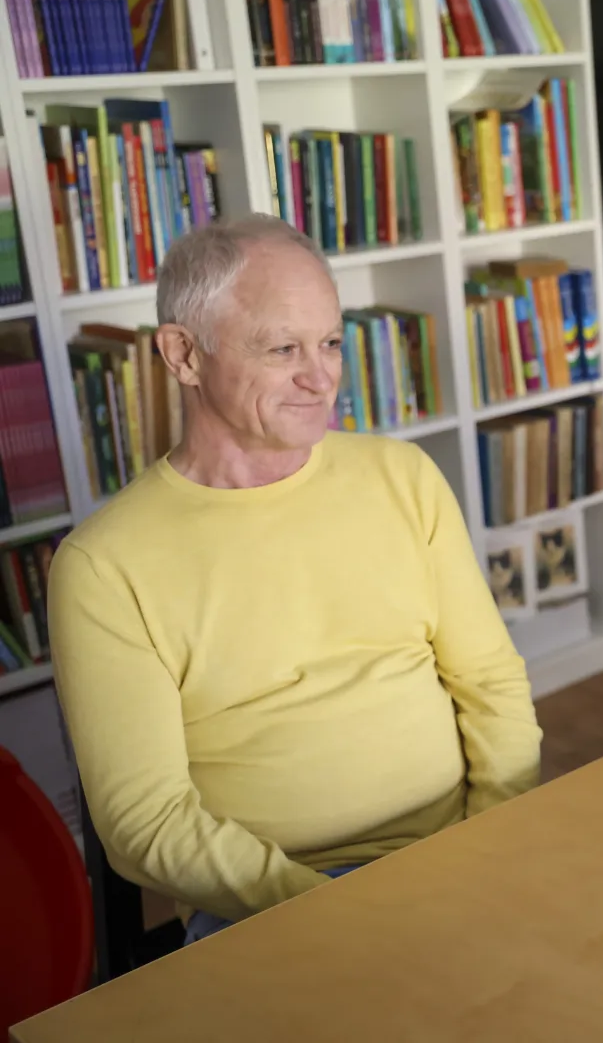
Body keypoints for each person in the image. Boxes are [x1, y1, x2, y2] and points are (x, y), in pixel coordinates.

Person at [47, 215, 543, 944]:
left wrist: (493, 841)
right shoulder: (101, 565)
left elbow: (492, 683)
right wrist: (335, 910)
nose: (322, 377)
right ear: (184, 354)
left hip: (464, 851)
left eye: (331, 342)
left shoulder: (402, 477)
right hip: (270, 907)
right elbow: (144, 823)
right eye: (283, 349)